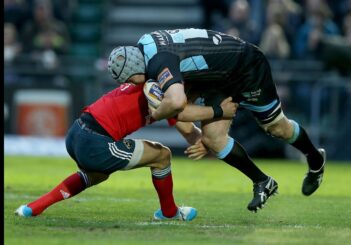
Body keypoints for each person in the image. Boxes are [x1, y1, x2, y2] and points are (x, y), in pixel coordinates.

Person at [107, 28, 327, 212]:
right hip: (217, 75)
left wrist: (156, 114)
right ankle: (263, 181)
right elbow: (179, 111)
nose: (133, 84)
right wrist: (197, 136)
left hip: (245, 67)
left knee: (277, 128)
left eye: (129, 80)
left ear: (135, 69)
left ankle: (315, 159)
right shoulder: (145, 44)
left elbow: (176, 105)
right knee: (212, 138)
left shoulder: (158, 63)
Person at [14, 82, 238, 220]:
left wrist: (206, 142)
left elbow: (188, 131)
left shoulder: (159, 88)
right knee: (162, 156)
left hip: (76, 132)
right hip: (95, 141)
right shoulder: (165, 95)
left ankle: (32, 208)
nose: (192, 101)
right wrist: (216, 132)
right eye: (194, 96)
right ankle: (169, 212)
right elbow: (191, 132)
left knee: (96, 175)